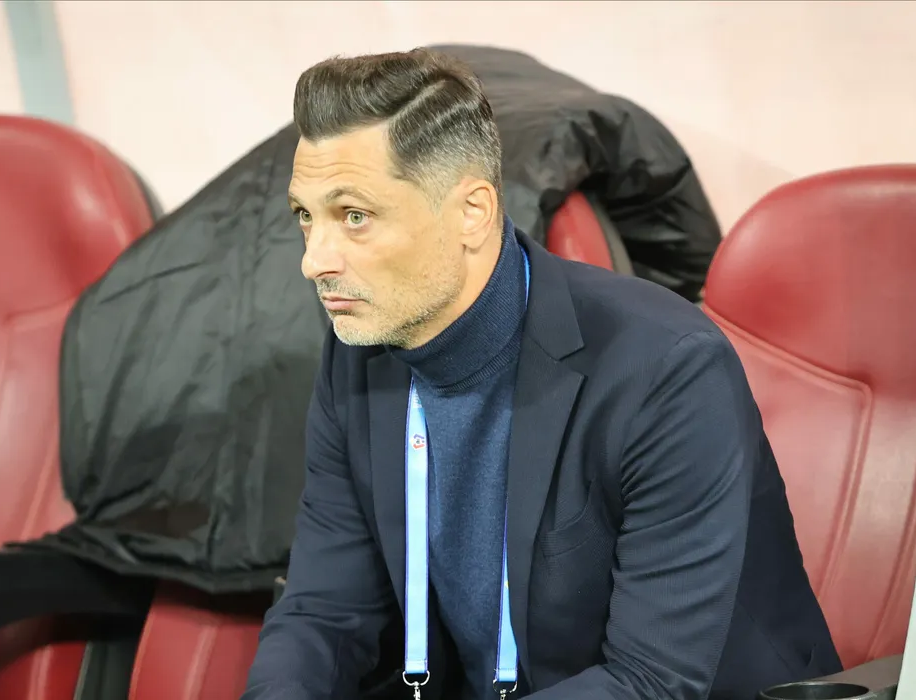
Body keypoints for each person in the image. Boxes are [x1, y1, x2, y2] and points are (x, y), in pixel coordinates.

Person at [243, 48, 841, 700]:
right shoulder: (359, 351)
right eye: (306, 217)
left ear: (472, 212)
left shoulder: (666, 370)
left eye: (354, 216)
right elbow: (325, 611)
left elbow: (650, 682)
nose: (315, 261)